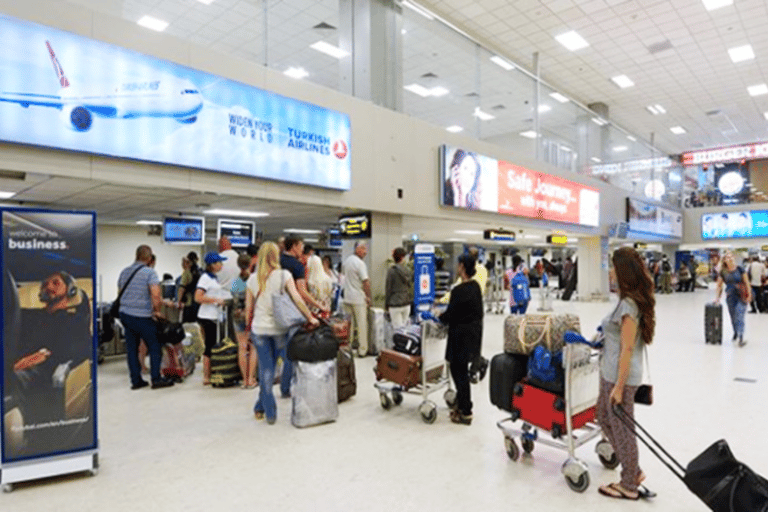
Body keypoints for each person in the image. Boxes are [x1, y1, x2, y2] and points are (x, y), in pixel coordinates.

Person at [597, 247, 655, 501]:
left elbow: (628, 348)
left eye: (613, 267)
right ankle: (633, 469)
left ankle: (629, 482)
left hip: (620, 377)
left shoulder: (629, 305)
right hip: (609, 371)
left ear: (622, 272)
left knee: (622, 428)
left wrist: (619, 387)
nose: (609, 272)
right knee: (603, 416)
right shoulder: (625, 301)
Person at [245, 242, 318, 424]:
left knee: (266, 369)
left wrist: (248, 328)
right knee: (274, 367)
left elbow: (248, 309)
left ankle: (262, 408)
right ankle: (269, 410)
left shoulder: (252, 279)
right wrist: (310, 317)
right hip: (279, 329)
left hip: (259, 330)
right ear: (275, 256)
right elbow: (297, 299)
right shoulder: (284, 275)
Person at [117, 245, 174, 390]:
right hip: (142, 316)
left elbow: (119, 293)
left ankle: (136, 381)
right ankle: (156, 379)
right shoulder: (150, 273)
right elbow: (155, 294)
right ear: (149, 258)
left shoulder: (124, 272)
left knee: (132, 349)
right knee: (155, 346)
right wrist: (157, 311)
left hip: (125, 315)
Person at [438, 254, 483, 425]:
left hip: (459, 337)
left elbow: (451, 315)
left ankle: (465, 410)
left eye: (458, 265)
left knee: (459, 373)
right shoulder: (476, 287)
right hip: (473, 336)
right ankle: (463, 403)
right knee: (462, 371)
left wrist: (439, 316)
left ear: (462, 267)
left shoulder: (458, 291)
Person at [281, 235, 329, 393]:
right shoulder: (296, 266)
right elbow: (300, 293)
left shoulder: (275, 263)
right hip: (292, 313)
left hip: (273, 312)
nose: (302, 249)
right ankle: (287, 387)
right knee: (292, 350)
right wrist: (317, 307)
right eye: (300, 246)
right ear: (294, 246)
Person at [195, 252, 230, 385]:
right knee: (209, 346)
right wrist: (216, 300)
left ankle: (211, 373)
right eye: (219, 262)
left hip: (214, 316)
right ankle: (206, 377)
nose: (221, 265)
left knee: (213, 345)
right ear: (212, 265)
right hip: (207, 316)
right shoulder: (205, 278)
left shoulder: (214, 278)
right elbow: (198, 297)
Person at [342, 241, 372, 357]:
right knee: (361, 325)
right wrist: (368, 297)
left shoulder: (347, 261)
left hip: (347, 298)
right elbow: (366, 282)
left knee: (349, 324)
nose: (365, 252)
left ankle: (348, 347)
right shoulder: (360, 264)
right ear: (357, 249)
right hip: (358, 299)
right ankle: (362, 350)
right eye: (364, 249)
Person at [232, 253, 257, 388]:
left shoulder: (236, 281)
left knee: (241, 347)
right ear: (250, 264)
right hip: (251, 316)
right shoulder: (253, 280)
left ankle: (244, 380)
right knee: (253, 347)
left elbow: (234, 298)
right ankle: (251, 379)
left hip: (237, 316)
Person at [716, 252, 751, 347]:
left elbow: (747, 282)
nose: (730, 258)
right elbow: (719, 286)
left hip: (741, 295)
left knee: (740, 314)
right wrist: (717, 299)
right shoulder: (723, 272)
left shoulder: (740, 269)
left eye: (731, 256)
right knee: (733, 316)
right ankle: (735, 332)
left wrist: (749, 295)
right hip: (730, 296)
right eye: (727, 257)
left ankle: (741, 336)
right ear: (725, 260)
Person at [385, 247, 412, 329]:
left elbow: (388, 288)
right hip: (406, 302)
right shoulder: (407, 270)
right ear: (402, 258)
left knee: (397, 330)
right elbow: (409, 284)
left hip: (395, 303)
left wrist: (387, 303)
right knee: (405, 329)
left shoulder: (391, 271)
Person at [178, 252, 202, 324]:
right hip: (198, 303)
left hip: (188, 303)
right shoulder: (200, 272)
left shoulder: (187, 272)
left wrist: (179, 301)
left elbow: (182, 288)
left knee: (187, 326)